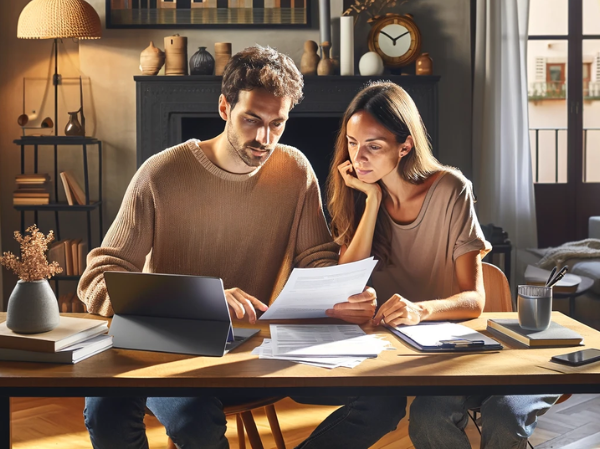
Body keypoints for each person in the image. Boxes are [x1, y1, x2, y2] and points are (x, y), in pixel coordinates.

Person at [78, 46, 404, 449]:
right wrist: (204, 300)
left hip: (258, 349)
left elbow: (317, 258)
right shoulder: (160, 174)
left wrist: (342, 294)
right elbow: (97, 281)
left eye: (277, 124)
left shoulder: (295, 171)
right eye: (251, 120)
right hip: (176, 349)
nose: (264, 138)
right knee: (111, 408)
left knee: (384, 400)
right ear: (223, 107)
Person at [327, 81, 559, 449]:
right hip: (401, 354)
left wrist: (419, 310)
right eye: (353, 144)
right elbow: (343, 283)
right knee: (427, 419)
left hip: (457, 350)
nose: (359, 159)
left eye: (374, 146)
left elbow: (474, 301)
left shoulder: (451, 188)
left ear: (405, 146)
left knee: (495, 417)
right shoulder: (359, 197)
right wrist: (371, 202)